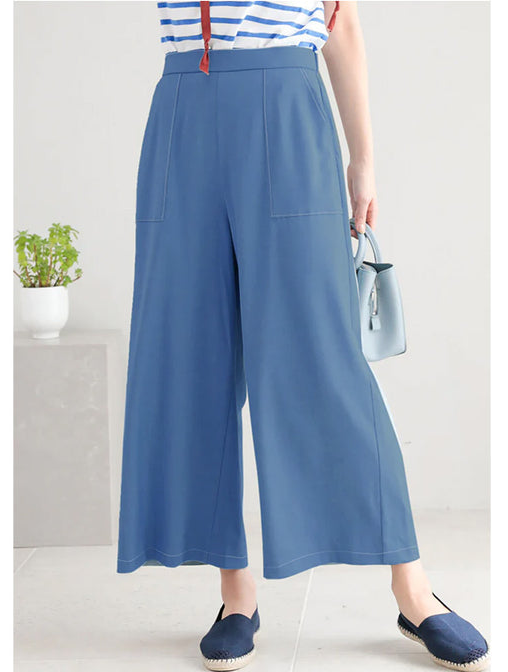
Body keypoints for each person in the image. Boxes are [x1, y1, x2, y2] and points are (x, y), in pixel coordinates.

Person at [116, 2, 490, 670]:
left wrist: (363, 159)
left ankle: (414, 591)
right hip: (182, 111)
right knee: (189, 357)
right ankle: (236, 596)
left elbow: (341, 24)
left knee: (323, 358)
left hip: (287, 108)